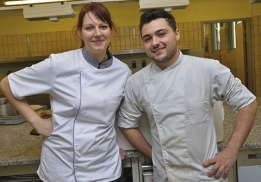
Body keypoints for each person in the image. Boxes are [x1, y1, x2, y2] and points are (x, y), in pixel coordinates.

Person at [117, 9, 258, 182]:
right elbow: (126, 124)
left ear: (176, 34)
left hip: (206, 175)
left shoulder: (208, 69)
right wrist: (155, 156)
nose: (155, 42)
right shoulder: (136, 82)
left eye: (161, 34)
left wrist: (231, 151)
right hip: (165, 177)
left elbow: (248, 103)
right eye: (147, 38)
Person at [0, 2, 131, 182]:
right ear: (80, 32)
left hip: (106, 168)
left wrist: (119, 146)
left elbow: (117, 116)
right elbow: (7, 84)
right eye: (89, 28)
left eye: (103, 26)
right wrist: (37, 122)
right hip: (64, 169)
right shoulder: (59, 64)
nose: (97, 33)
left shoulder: (123, 72)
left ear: (110, 30)